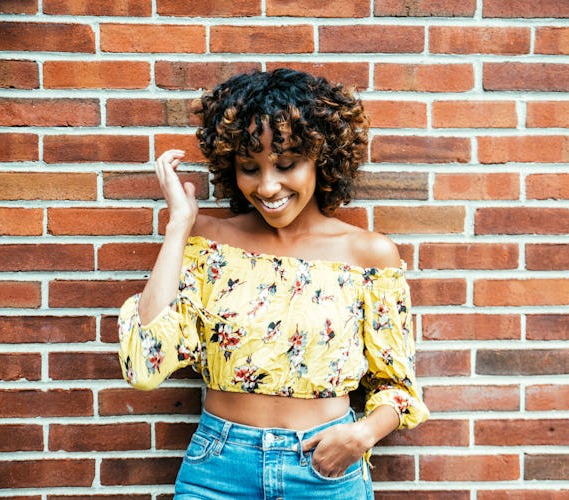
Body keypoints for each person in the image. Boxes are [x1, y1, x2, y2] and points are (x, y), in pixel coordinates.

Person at [117, 68, 429, 499]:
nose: (267, 186)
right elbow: (144, 366)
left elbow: (397, 385)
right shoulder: (208, 242)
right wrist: (179, 227)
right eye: (249, 167)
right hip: (218, 473)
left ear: (322, 156)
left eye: (286, 164)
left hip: (326, 473)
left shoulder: (368, 255)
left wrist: (362, 435)